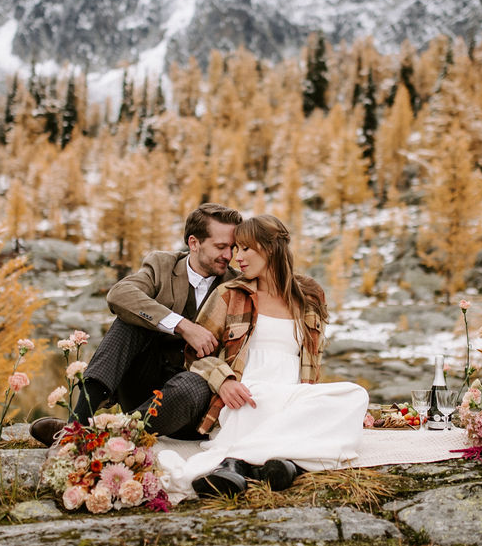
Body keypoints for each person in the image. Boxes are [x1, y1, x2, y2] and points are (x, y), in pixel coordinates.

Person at [157, 214, 369, 503]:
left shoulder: (309, 296)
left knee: (355, 395)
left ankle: (241, 465)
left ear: (269, 248)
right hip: (249, 397)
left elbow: (311, 360)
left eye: (245, 248)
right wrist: (224, 381)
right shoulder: (230, 294)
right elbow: (195, 355)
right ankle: (279, 463)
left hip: (293, 396)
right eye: (235, 249)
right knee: (293, 411)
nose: (236, 257)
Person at [30, 203, 242, 445]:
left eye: (232, 248)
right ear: (194, 243)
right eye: (221, 246)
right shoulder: (163, 265)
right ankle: (76, 426)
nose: (229, 255)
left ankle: (104, 436)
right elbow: (120, 294)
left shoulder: (237, 285)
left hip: (190, 406)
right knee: (129, 321)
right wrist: (183, 325)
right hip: (143, 389)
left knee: (194, 384)